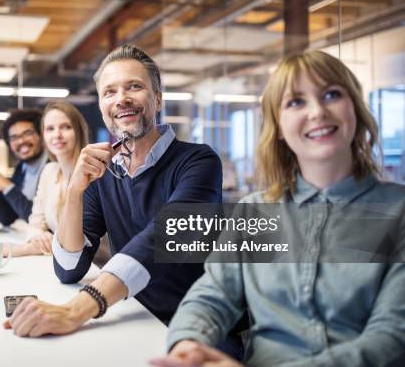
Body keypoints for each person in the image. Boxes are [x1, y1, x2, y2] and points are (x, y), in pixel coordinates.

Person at [154, 50, 405, 366]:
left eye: (331, 94)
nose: (317, 112)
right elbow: (211, 296)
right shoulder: (254, 213)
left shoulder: (398, 212)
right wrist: (188, 344)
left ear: (354, 106)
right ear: (279, 127)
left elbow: (390, 340)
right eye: (296, 102)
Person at [4, 45, 227, 344]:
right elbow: (69, 268)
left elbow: (162, 235)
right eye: (109, 92)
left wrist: (75, 311)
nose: (121, 99)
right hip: (133, 319)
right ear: (101, 106)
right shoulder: (104, 171)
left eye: (134, 87)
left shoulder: (198, 161)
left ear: (157, 98)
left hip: (197, 328)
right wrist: (75, 190)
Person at [8, 101, 89, 257]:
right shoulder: (49, 171)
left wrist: (21, 250)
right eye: (50, 129)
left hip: (96, 266)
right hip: (61, 263)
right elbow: (35, 222)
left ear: (78, 131)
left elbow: (80, 241)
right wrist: (38, 235)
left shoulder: (92, 173)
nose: (57, 135)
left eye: (66, 127)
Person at [0, 109, 48, 226]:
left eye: (28, 133)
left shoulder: (52, 166)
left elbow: (39, 218)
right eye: (14, 138)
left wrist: (7, 186)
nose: (21, 141)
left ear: (41, 136)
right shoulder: (21, 169)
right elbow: (8, 218)